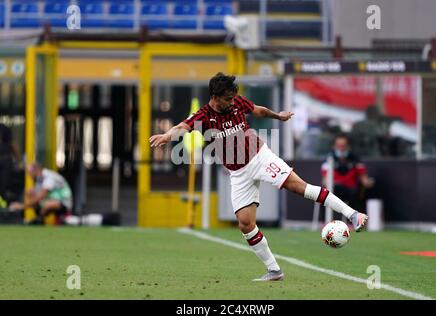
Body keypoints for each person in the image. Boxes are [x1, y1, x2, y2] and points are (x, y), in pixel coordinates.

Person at [149, 73, 368, 281]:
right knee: (245, 224)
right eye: (227, 99)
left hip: (260, 157)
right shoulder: (203, 116)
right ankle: (274, 271)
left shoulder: (237, 103)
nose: (232, 102)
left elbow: (258, 110)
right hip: (238, 173)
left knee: (299, 187)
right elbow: (181, 127)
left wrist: (278, 116)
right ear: (215, 97)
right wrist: (167, 135)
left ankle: (353, 214)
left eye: (233, 97)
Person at [321, 133, 374, 213]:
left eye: (343, 146)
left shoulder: (355, 159)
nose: (341, 148)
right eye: (339, 146)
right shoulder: (329, 159)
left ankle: (354, 222)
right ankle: (327, 223)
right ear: (334, 146)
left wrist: (368, 182)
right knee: (325, 195)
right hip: (335, 190)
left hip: (351, 191)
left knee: (357, 194)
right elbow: (325, 180)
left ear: (348, 146)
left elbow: (364, 178)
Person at [0, 124, 20, 201]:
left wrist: (18, 161)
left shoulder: (4, 129)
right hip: (6, 161)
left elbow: (13, 145)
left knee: (4, 185)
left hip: (5, 161)